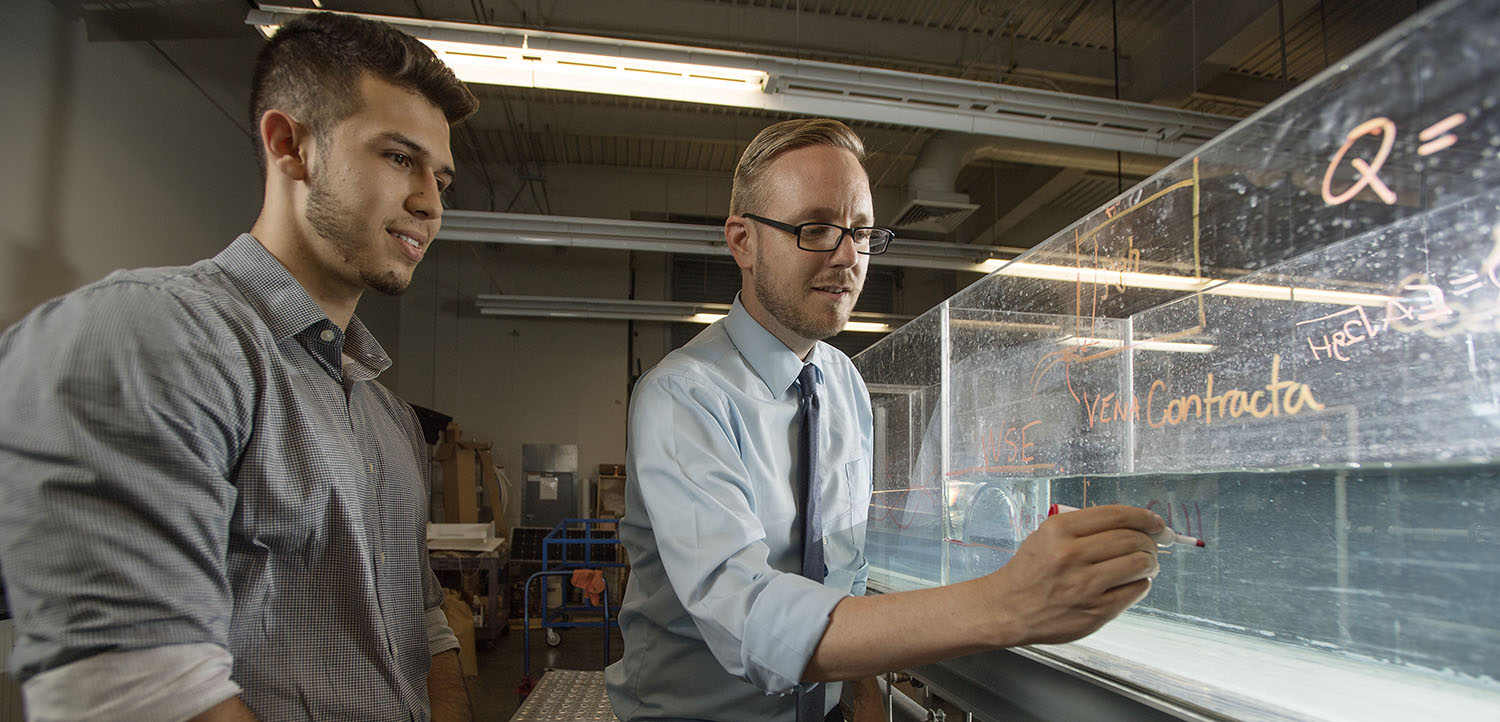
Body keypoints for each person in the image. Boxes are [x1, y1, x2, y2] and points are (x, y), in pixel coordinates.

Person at [0, 12, 478, 722]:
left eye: (440, 177)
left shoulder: (387, 416)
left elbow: (425, 629)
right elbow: (143, 695)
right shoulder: (152, 336)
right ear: (291, 146)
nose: (430, 205)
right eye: (398, 158)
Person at [606, 118, 1166, 722]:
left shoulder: (842, 384)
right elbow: (747, 619)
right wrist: (1006, 605)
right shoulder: (683, 397)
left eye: (863, 232)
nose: (848, 257)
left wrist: (866, 695)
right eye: (816, 229)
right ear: (742, 241)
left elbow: (845, 566)